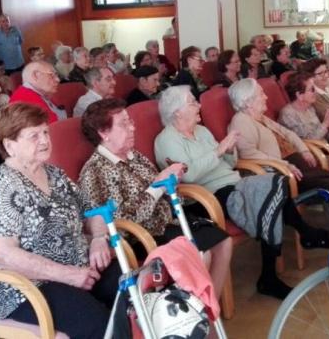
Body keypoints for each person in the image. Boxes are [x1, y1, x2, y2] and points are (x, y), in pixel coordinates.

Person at [154, 86, 329, 299]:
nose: (199, 105)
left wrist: (229, 151)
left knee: (273, 191)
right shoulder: (166, 140)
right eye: (193, 102)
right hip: (205, 196)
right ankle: (302, 237)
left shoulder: (201, 131)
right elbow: (187, 176)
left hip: (234, 183)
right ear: (177, 112)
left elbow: (230, 164)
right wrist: (219, 150)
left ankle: (271, 275)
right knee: (273, 189)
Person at [0, 103, 126, 339]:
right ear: (9, 145)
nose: (45, 140)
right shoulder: (2, 187)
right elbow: (4, 255)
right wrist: (69, 274)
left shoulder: (54, 174)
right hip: (27, 286)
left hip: (77, 264)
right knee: (98, 325)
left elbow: (92, 210)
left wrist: (98, 238)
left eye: (45, 132)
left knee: (130, 290)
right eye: (34, 136)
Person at [79, 98, 232, 298]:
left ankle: (211, 311)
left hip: (167, 222)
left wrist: (170, 185)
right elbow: (120, 221)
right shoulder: (96, 171)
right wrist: (157, 186)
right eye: (124, 124)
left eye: (131, 121)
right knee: (202, 254)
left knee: (223, 242)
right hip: (140, 236)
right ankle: (196, 318)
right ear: (103, 133)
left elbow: (159, 190)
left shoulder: (134, 156)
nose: (133, 128)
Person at [228, 79, 329, 193]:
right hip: (282, 170)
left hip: (294, 160)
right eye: (261, 94)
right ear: (248, 102)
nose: (266, 97)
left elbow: (288, 133)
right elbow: (249, 154)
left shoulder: (260, 117)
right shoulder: (241, 122)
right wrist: (285, 165)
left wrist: (304, 150)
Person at [280, 71, 329, 141]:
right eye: (312, 89)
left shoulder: (309, 108)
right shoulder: (288, 114)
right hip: (316, 150)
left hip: (326, 146)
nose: (315, 92)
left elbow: (325, 137)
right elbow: (307, 142)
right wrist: (325, 124)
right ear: (299, 95)